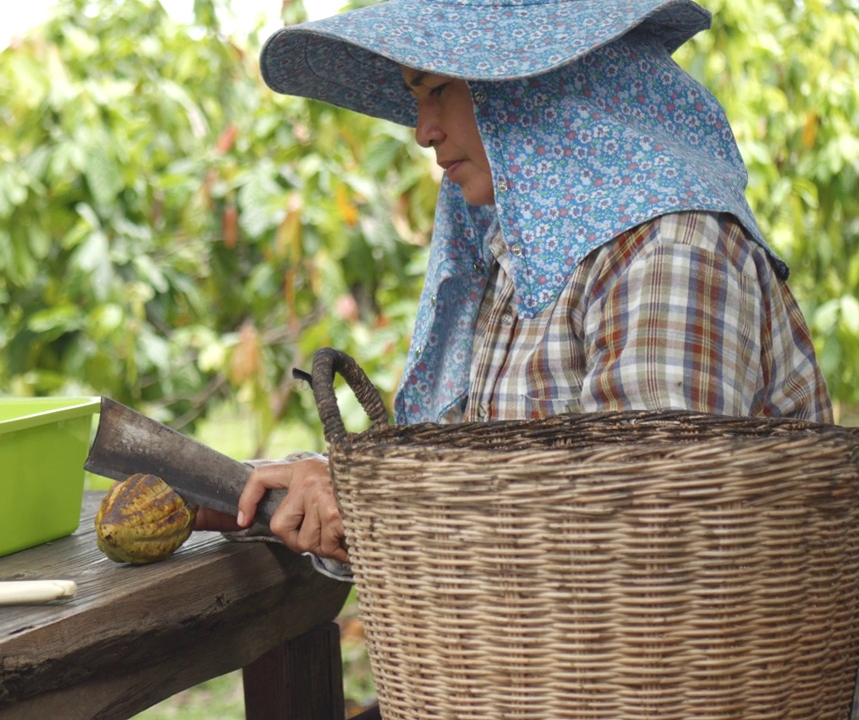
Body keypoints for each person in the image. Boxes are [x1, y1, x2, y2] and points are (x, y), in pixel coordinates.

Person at [193, 0, 834, 570]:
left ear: (537, 90)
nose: (423, 131)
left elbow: (644, 526)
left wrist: (370, 504)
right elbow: (502, 477)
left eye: (438, 88)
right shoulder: (531, 253)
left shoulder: (669, 253)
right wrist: (323, 488)